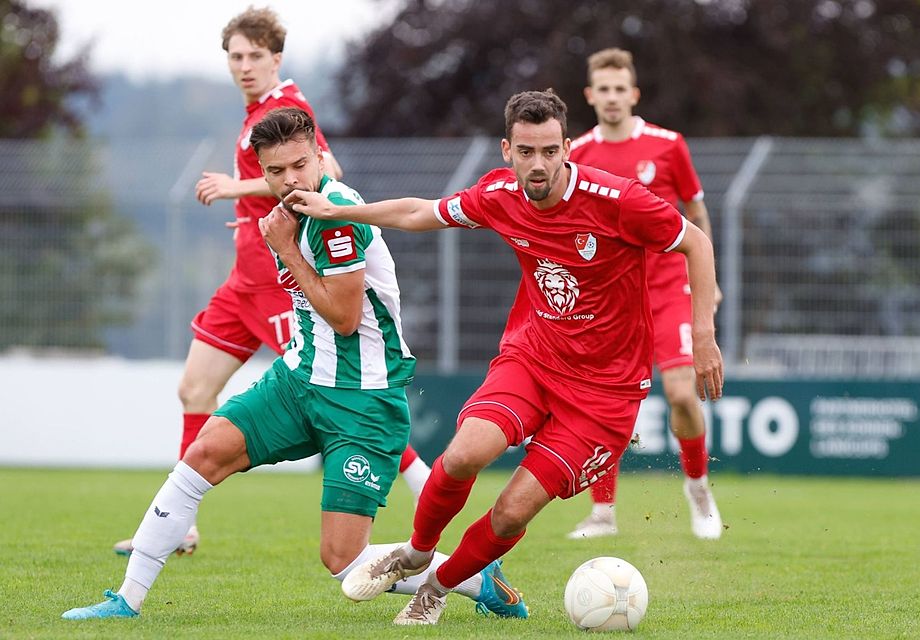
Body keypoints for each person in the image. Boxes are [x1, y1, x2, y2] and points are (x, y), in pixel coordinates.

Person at [63, 108, 527, 621]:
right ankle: (126, 600)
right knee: (204, 452)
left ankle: (475, 576)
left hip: (362, 399)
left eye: (299, 165)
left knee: (343, 562)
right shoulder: (288, 212)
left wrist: (285, 250)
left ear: (318, 156)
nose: (290, 179)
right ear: (260, 171)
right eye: (276, 170)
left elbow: (345, 317)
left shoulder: (335, 217)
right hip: (298, 379)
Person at [281, 90, 723, 625]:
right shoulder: (499, 193)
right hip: (533, 360)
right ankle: (416, 553)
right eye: (526, 152)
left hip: (605, 394)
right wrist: (339, 209)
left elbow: (695, 241)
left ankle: (437, 587)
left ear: (566, 149)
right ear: (507, 150)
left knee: (514, 510)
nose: (538, 165)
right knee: (465, 453)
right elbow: (422, 211)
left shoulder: (618, 200)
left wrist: (703, 335)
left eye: (549, 151)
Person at [111, 6, 430, 557]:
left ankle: (429, 497)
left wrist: (235, 189)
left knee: (343, 389)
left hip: (280, 281)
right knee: (194, 389)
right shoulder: (257, 109)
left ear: (275, 58)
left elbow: (328, 173)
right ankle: (182, 527)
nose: (244, 66)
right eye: (235, 57)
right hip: (245, 280)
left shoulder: (286, 107)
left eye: (255, 56)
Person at [566, 48, 724, 541]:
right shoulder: (581, 153)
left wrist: (709, 281)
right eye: (603, 90)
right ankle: (602, 513)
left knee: (680, 391)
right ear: (591, 96)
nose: (612, 98)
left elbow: (696, 215)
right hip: (611, 297)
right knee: (603, 401)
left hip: (667, 285)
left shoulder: (668, 145)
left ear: (633, 94)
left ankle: (698, 489)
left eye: (620, 89)